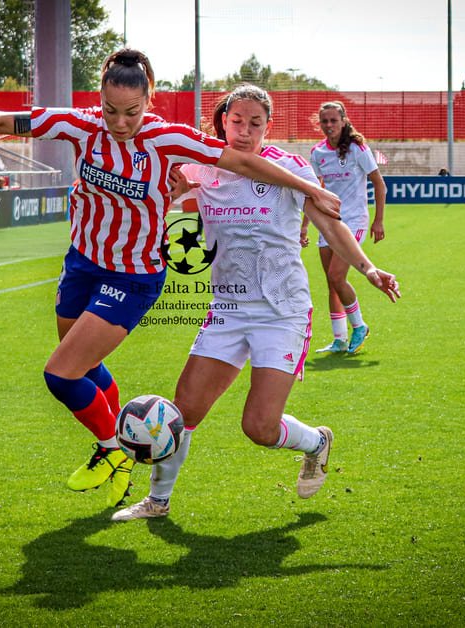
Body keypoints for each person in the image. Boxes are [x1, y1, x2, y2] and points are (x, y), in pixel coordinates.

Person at [0, 48, 341, 509]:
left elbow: (243, 163)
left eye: (131, 112)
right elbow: (7, 120)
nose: (120, 122)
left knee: (61, 375)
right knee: (81, 366)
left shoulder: (168, 137)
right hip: (82, 263)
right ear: (99, 99)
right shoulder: (78, 124)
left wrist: (310, 189)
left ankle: (115, 450)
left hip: (133, 274)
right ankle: (129, 463)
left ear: (148, 102)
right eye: (111, 110)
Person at [111, 85, 400, 521]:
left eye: (255, 123)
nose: (244, 131)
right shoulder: (202, 167)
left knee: (260, 428)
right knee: (183, 411)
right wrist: (171, 193)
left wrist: (368, 269)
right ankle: (158, 501)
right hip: (226, 308)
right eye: (236, 121)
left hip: (282, 309)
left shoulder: (289, 169)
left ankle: (316, 442)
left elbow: (329, 221)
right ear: (223, 120)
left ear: (268, 126)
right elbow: (164, 209)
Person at [306, 101, 387, 354]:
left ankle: (359, 326)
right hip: (327, 221)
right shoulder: (317, 152)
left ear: (343, 121)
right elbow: (314, 192)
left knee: (336, 276)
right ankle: (339, 339)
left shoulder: (358, 148)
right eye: (324, 121)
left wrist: (378, 220)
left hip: (354, 221)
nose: (329, 125)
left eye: (333, 120)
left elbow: (379, 184)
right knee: (332, 283)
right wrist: (304, 225)